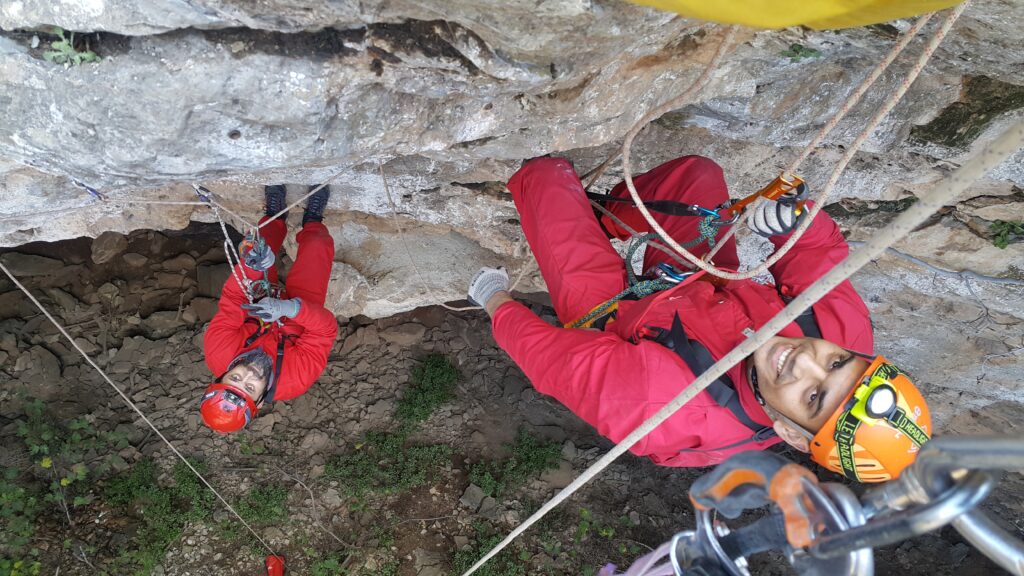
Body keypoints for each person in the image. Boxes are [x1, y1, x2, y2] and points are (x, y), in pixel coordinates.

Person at [468, 156, 932, 482]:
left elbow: (551, 360)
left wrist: (496, 301)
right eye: (836, 363)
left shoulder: (660, 405)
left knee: (547, 180)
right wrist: (793, 224)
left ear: (791, 433)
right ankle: (608, 214)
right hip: (704, 292)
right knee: (695, 178)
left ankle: (573, 215)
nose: (805, 360)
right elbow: (819, 252)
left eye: (813, 397)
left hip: (615, 326)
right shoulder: (844, 337)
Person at [199, 185, 338, 434]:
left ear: (220, 377)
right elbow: (325, 331)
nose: (248, 374)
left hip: (257, 301)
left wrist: (252, 267)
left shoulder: (218, 352)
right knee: (318, 245)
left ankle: (275, 214)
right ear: (261, 401)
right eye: (250, 387)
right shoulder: (295, 380)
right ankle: (313, 220)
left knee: (258, 248)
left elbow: (233, 298)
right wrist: (291, 309)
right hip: (299, 319)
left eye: (235, 378)